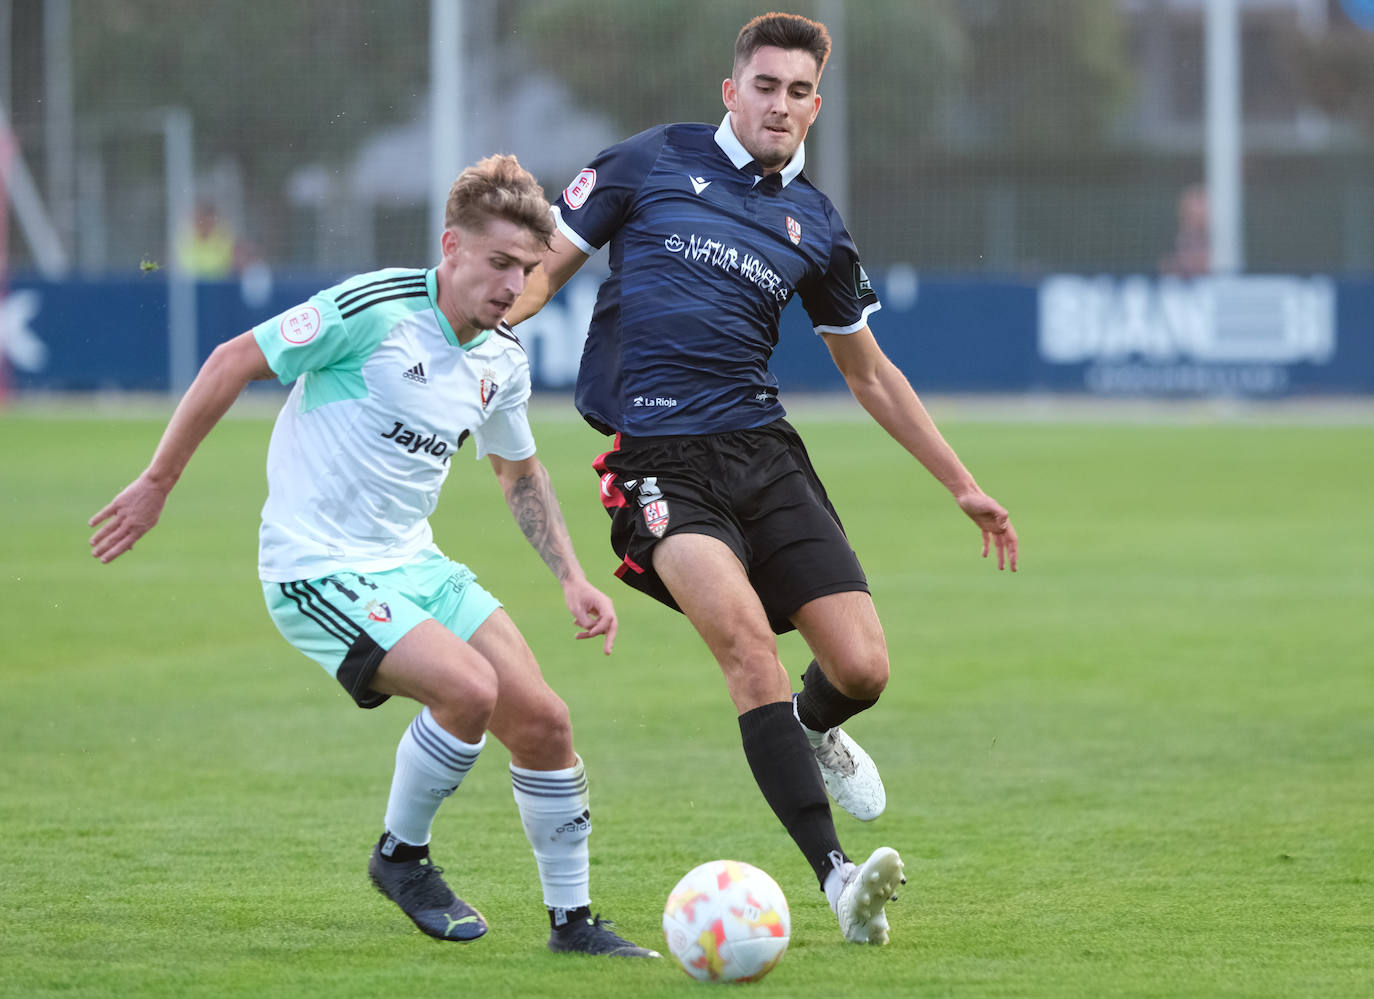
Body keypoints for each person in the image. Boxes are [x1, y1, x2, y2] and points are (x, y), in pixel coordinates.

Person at [507, 13, 1019, 946]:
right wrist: (488, 322)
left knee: (862, 667)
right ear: (731, 89)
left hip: (764, 452)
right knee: (749, 650)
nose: (779, 104)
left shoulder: (816, 224)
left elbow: (869, 373)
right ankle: (837, 881)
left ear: (814, 107)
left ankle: (817, 725)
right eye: (765, 85)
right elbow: (545, 268)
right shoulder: (649, 162)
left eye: (797, 92)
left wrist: (961, 482)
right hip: (658, 458)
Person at [89, 154, 659, 959]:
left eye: (527, 269)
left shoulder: (501, 359)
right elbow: (231, 361)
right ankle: (401, 857)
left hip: (411, 561)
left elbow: (517, 468)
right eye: (499, 263)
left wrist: (570, 574)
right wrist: (156, 482)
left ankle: (573, 924)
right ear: (451, 246)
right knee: (468, 689)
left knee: (543, 721)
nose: (512, 285)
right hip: (315, 564)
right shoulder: (375, 309)